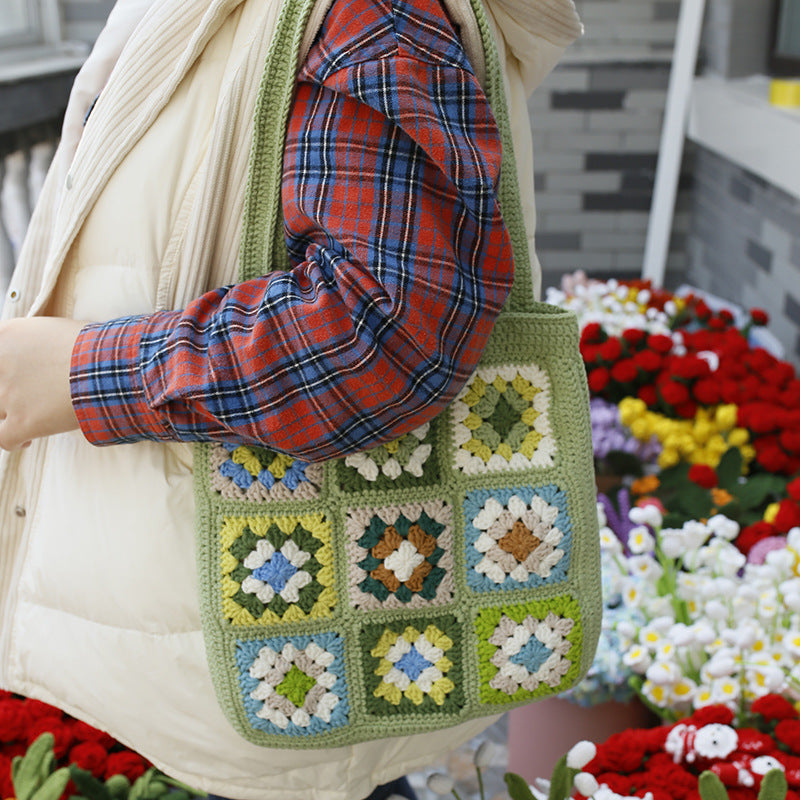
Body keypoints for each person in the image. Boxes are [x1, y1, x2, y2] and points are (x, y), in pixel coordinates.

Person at [0, 0, 582, 797]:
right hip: (228, 614)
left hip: (283, 642)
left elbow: (380, 333)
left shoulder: (363, 13)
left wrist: (85, 374)